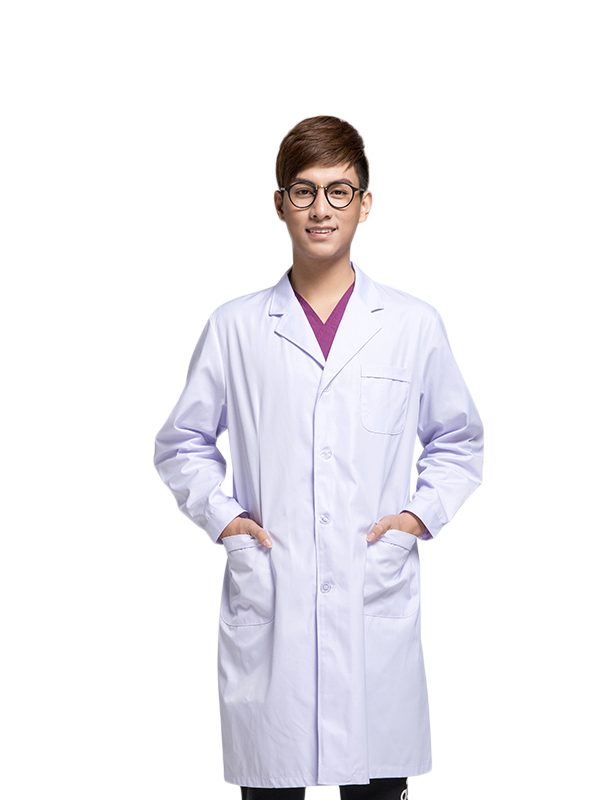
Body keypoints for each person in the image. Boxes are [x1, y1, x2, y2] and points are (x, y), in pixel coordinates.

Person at [153, 115, 484, 799]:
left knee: (376, 782)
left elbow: (458, 440)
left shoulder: (412, 324)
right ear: (280, 204)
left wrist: (415, 520)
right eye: (304, 191)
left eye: (339, 191)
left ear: (366, 203)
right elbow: (182, 442)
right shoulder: (236, 327)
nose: (321, 209)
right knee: (274, 782)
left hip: (373, 594)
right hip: (272, 597)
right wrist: (225, 520)